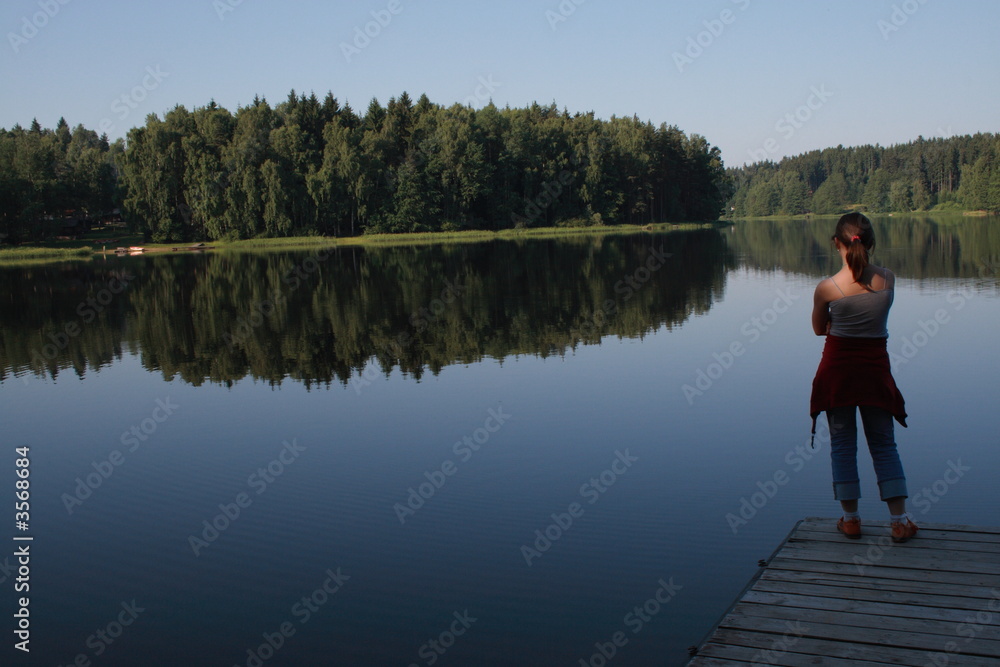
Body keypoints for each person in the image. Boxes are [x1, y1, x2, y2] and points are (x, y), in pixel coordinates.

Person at [809, 212, 918, 543]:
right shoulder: (887, 280)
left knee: (842, 444)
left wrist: (835, 323)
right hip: (874, 374)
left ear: (836, 244)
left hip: (837, 374)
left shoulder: (827, 288)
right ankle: (899, 522)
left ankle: (851, 520)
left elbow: (818, 329)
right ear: (870, 244)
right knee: (884, 444)